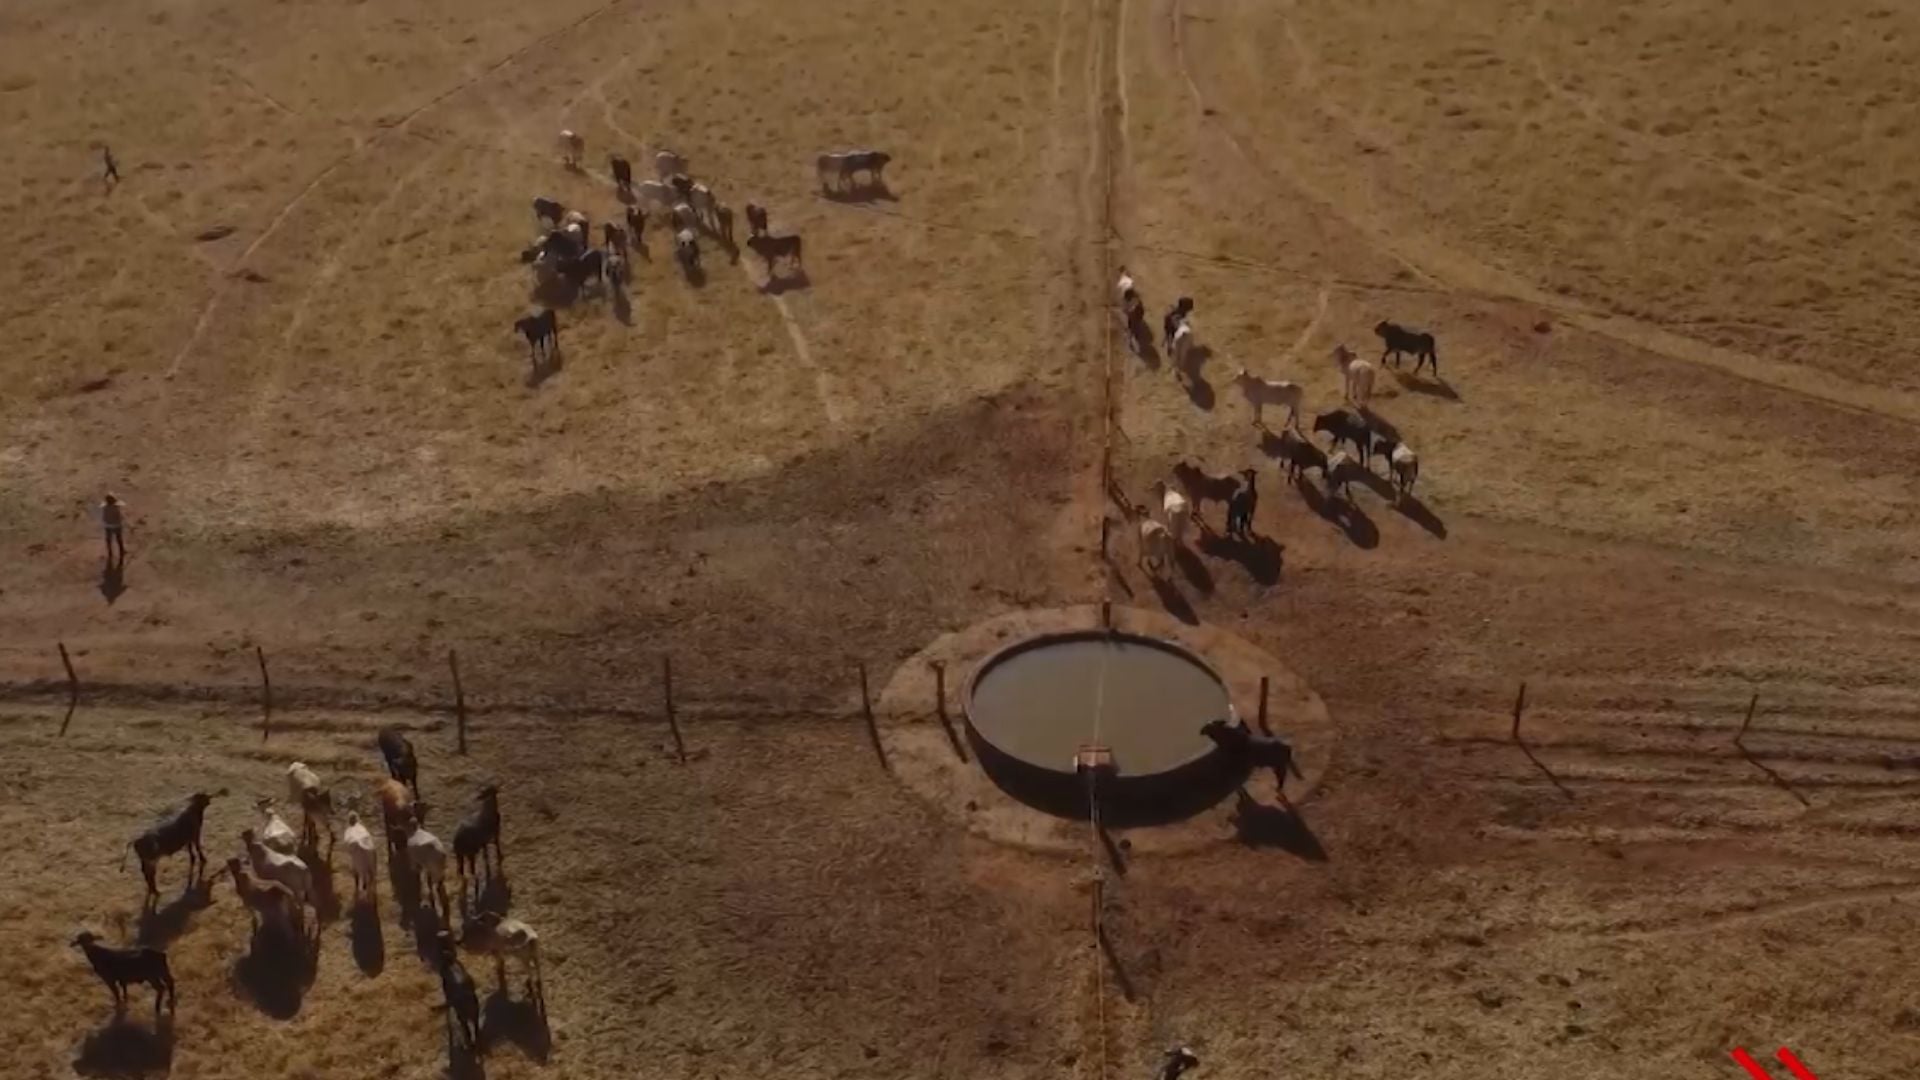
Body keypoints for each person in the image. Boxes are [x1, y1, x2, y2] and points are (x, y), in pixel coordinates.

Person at [99, 493, 126, 564]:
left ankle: (110, 552)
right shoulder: (115, 508)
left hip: (107, 525)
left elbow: (104, 517)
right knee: (119, 538)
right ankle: (122, 551)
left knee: (108, 539)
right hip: (116, 525)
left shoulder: (105, 508)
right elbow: (119, 517)